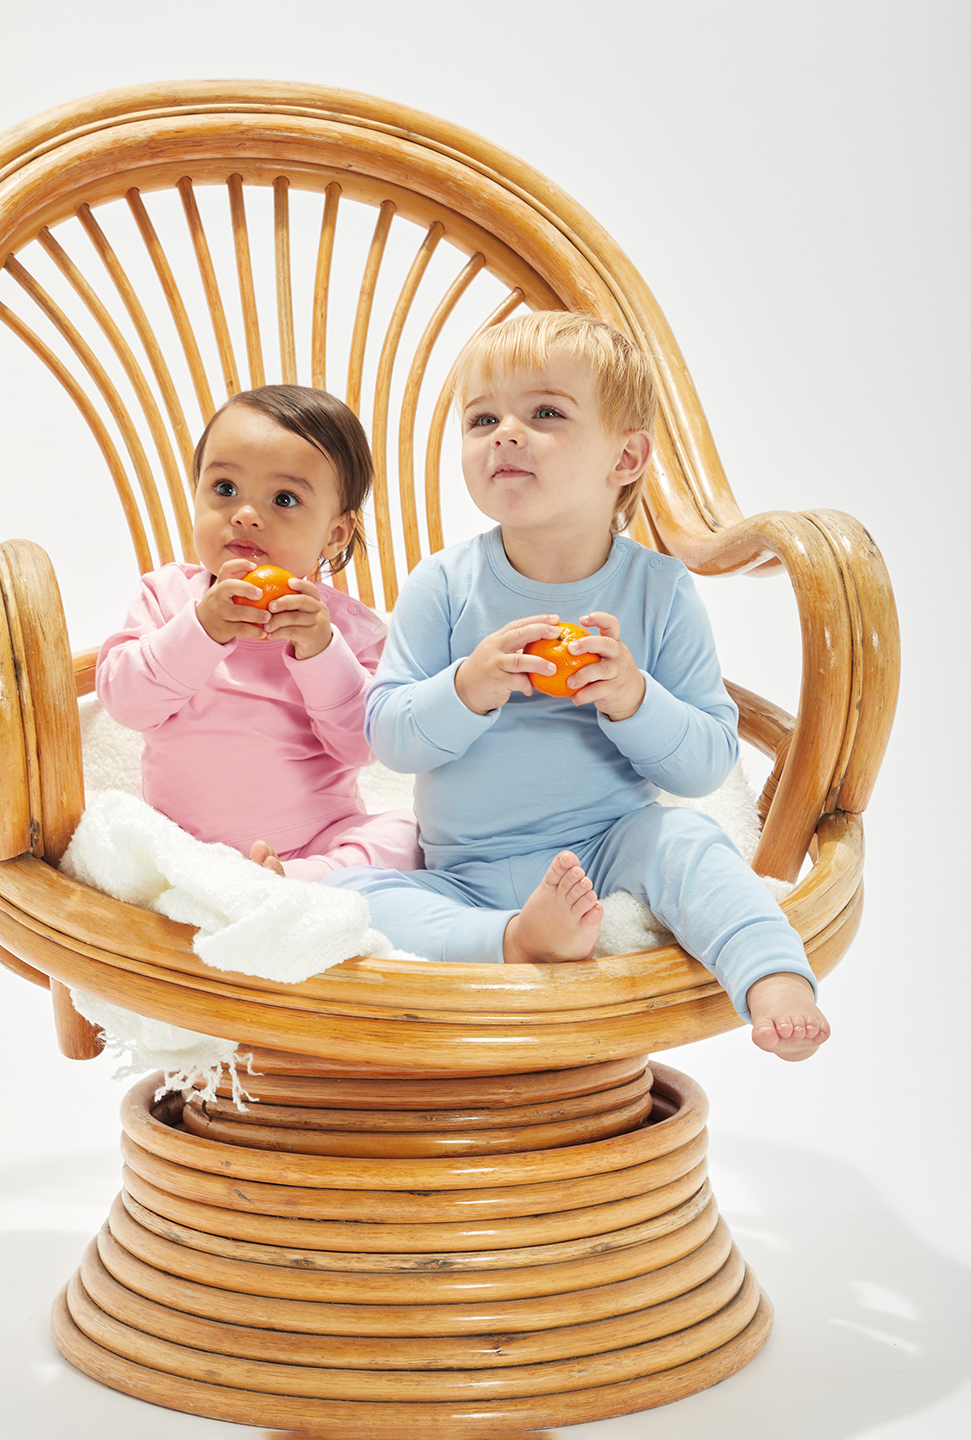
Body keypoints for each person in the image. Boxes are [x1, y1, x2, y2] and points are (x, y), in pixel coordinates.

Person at [325, 311, 828, 1061]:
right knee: (349, 897)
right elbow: (390, 739)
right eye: (483, 418)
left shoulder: (658, 590)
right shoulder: (445, 584)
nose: (505, 434)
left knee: (689, 841)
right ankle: (514, 938)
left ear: (625, 457)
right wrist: (468, 686)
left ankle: (772, 972)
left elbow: (706, 764)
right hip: (463, 868)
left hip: (610, 845)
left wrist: (633, 698)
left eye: (545, 413)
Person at [95, 384, 420, 881]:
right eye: (225, 488)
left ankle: (301, 879)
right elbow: (125, 703)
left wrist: (321, 653)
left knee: (410, 836)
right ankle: (278, 885)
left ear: (335, 534)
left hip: (318, 837)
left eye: (284, 499)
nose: (246, 514)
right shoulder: (167, 597)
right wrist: (200, 630)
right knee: (113, 831)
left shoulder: (349, 629)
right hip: (182, 843)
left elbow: (364, 746)